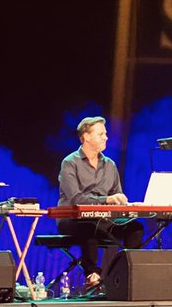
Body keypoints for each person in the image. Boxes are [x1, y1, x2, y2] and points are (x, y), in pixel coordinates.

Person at [56, 116, 145, 292]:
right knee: (88, 227)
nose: (106, 137)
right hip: (72, 220)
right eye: (101, 134)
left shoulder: (110, 165)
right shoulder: (69, 163)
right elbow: (76, 199)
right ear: (86, 136)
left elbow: (115, 196)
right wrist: (106, 200)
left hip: (103, 220)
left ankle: (127, 273)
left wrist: (124, 203)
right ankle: (92, 275)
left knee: (135, 228)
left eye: (105, 133)